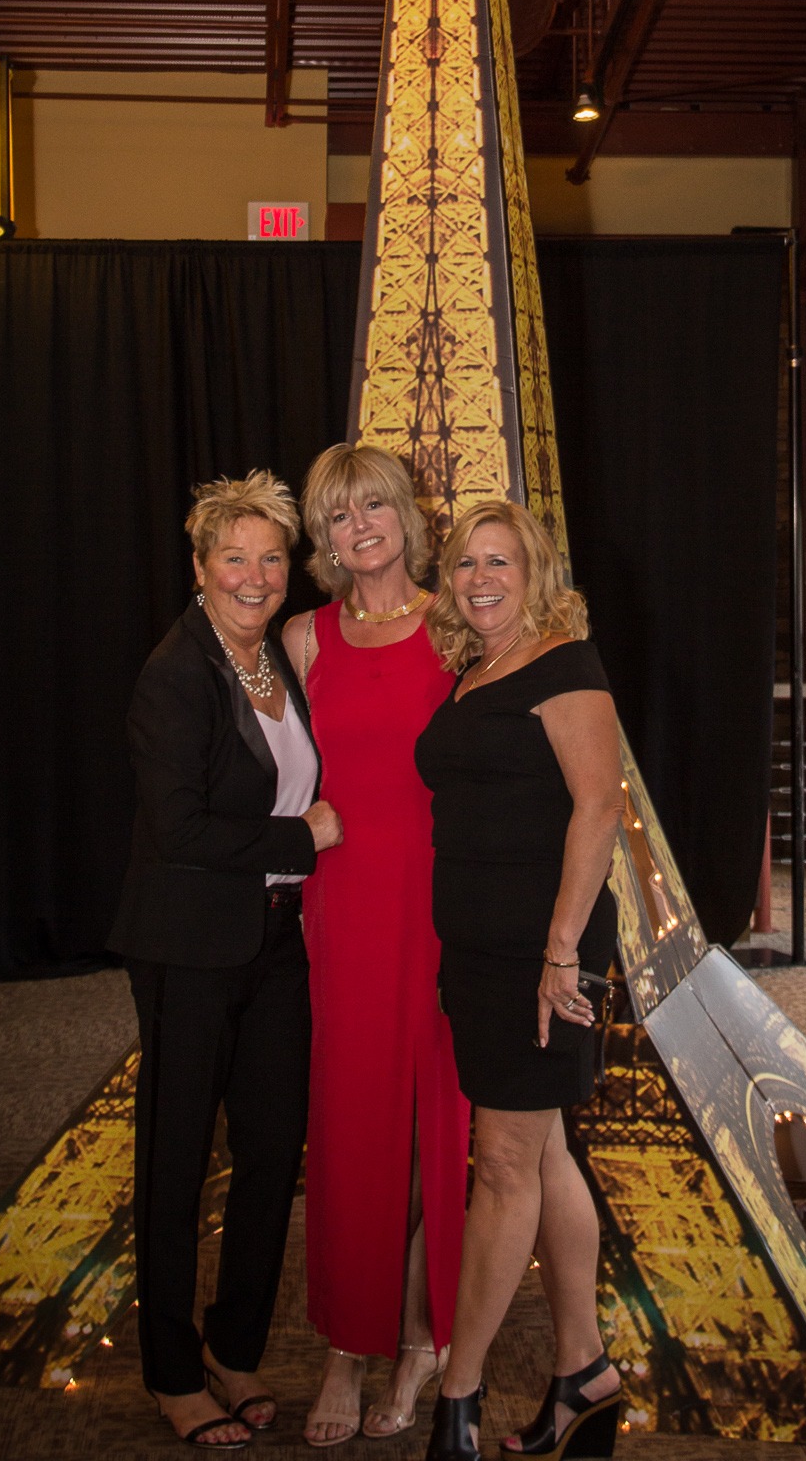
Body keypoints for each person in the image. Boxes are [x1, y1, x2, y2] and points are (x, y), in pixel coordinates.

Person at [109, 471, 343, 1449]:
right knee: (175, 1158)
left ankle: (233, 1348)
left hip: (275, 942)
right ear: (201, 566)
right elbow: (181, 829)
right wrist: (304, 838)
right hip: (189, 947)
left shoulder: (277, 658)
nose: (255, 576)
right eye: (234, 558)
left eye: (271, 557)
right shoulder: (175, 673)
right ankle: (171, 1371)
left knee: (271, 1150)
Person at [414, 501, 625, 1461]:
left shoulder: (565, 665)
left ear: (536, 571)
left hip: (542, 958)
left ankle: (457, 1395)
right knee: (543, 1156)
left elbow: (598, 809)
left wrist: (561, 954)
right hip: (478, 952)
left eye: (499, 562)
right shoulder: (474, 671)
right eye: (465, 563)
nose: (479, 579)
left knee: (501, 1166)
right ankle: (584, 1372)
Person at [281, 444, 469, 1448]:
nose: (359, 528)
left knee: (438, 1124)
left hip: (443, 904)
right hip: (345, 903)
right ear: (323, 537)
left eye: (373, 508)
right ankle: (345, 1346)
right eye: (338, 516)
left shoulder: (456, 623)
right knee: (352, 1127)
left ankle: (422, 1338)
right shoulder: (303, 638)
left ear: (405, 514)